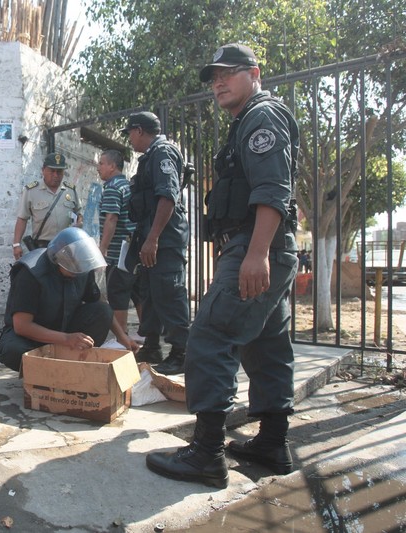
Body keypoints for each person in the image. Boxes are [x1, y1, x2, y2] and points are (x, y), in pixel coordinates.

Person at [145, 43, 300, 488]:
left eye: (227, 73)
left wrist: (256, 254)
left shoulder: (261, 117)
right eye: (213, 76)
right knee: (266, 343)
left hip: (256, 245)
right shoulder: (251, 121)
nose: (217, 82)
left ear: (254, 73)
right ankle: (272, 442)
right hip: (263, 244)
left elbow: (273, 189)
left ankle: (206, 452)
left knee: (212, 335)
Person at [0, 227, 138, 371]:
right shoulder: (30, 273)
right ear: (58, 259)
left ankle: (72, 365)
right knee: (13, 351)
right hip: (30, 336)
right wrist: (66, 339)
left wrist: (122, 336)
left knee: (102, 311)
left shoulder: (81, 270)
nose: (77, 270)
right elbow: (22, 326)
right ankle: (45, 371)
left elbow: (99, 302)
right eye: (72, 266)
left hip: (63, 328)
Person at [124, 111, 191, 375]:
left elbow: (168, 197)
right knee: (149, 293)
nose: (129, 139)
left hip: (165, 240)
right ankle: (152, 345)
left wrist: (153, 239)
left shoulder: (163, 153)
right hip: (151, 239)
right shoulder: (150, 157)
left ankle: (181, 352)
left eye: (130, 133)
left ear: (139, 130)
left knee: (169, 293)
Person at [96, 149, 141, 337]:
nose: (98, 168)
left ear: (112, 166)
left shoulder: (113, 188)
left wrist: (103, 248)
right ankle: (145, 332)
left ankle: (121, 337)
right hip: (133, 250)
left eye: (101, 163)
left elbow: (111, 219)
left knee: (118, 294)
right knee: (137, 293)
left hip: (118, 253)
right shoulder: (128, 185)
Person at [12, 152, 82, 260]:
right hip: (41, 247)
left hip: (66, 246)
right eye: (52, 171)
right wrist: (16, 244)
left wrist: (79, 223)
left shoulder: (70, 191)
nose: (55, 175)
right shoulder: (31, 191)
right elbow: (22, 218)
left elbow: (78, 213)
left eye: (59, 171)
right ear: (43, 170)